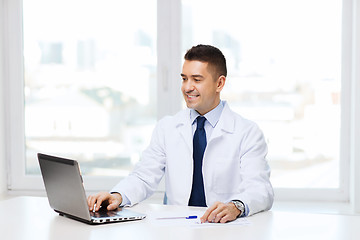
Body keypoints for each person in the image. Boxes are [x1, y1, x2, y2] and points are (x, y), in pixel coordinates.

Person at [87, 44, 274, 223]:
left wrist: (236, 207)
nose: (187, 87)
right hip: (176, 228)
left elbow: (259, 188)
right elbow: (143, 177)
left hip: (224, 229)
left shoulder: (247, 132)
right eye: (184, 78)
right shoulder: (168, 127)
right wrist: (117, 196)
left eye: (197, 79)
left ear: (220, 83)